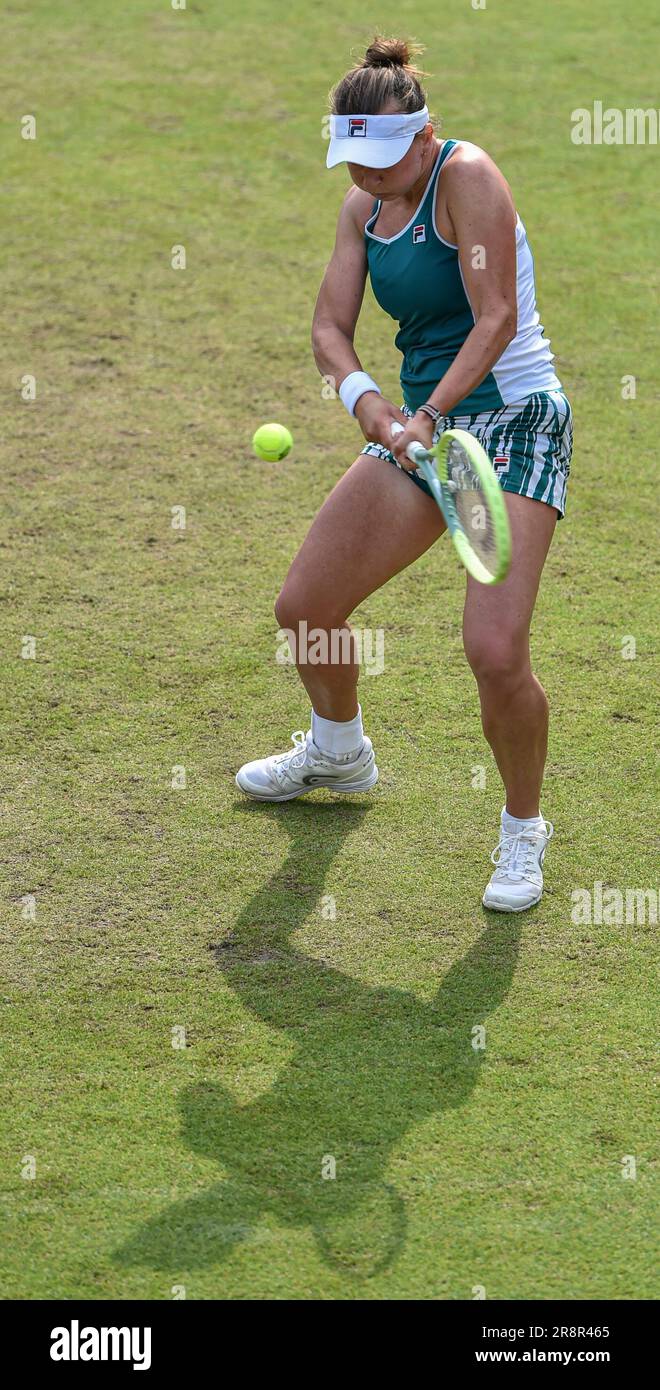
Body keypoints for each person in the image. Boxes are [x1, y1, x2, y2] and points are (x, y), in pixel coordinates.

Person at [236, 35, 573, 913]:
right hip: (421, 430)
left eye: (384, 161)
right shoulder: (363, 207)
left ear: (425, 137)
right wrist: (372, 409)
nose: (369, 178)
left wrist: (423, 417)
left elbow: (495, 319)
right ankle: (338, 751)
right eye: (355, 163)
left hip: (510, 423)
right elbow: (328, 331)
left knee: (494, 651)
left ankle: (522, 830)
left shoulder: (470, 177)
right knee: (306, 609)